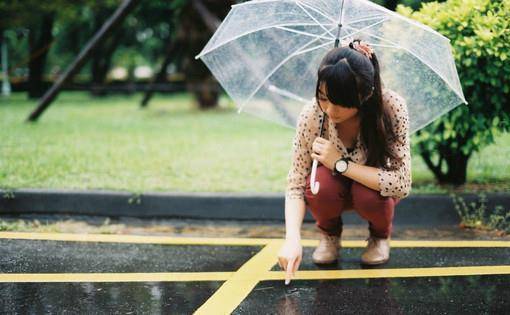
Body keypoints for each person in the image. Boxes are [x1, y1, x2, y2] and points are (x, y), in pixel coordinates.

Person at [277, 39, 412, 285]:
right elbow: (296, 183)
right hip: (332, 192)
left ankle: (380, 236)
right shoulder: (312, 115)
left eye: (340, 103)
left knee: (368, 194)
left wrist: (340, 163)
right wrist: (292, 238)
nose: (329, 110)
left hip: (371, 192)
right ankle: (329, 235)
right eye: (323, 97)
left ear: (365, 94)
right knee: (319, 185)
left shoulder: (391, 108)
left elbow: (401, 183)